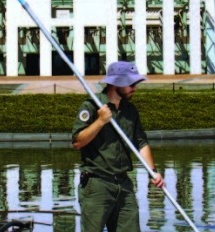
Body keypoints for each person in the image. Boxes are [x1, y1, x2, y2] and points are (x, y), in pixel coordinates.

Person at [71, 61, 165, 232]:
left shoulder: (130, 110)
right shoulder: (91, 106)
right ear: (116, 83)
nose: (135, 87)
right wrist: (100, 121)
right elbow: (77, 142)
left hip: (124, 183)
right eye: (131, 83)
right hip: (97, 184)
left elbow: (141, 142)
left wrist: (153, 171)